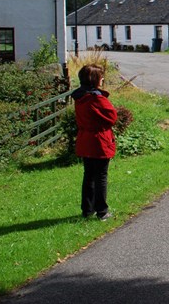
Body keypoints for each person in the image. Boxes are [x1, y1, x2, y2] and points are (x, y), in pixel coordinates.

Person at [73, 64, 117, 221]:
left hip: (85, 139)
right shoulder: (96, 98)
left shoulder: (79, 97)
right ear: (95, 80)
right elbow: (112, 117)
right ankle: (102, 211)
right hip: (99, 141)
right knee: (101, 177)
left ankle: (87, 209)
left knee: (89, 175)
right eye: (101, 77)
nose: (102, 79)